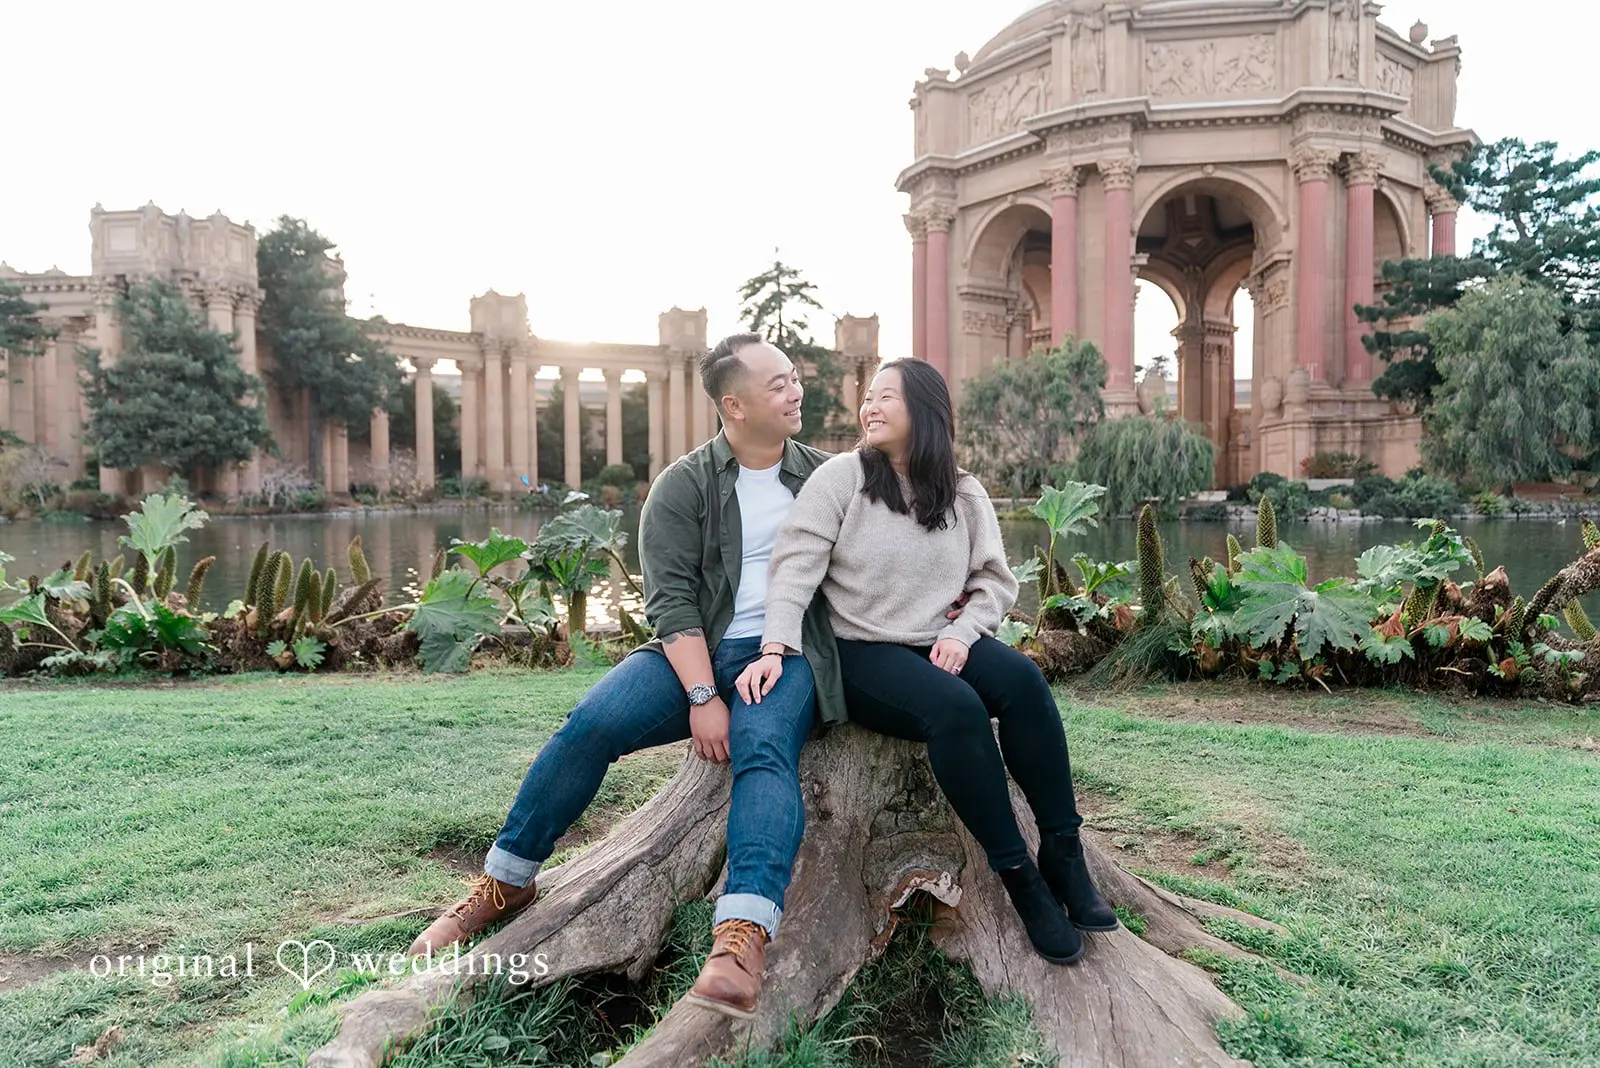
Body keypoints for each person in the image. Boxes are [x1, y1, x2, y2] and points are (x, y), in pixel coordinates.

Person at [409, 333, 847, 1019]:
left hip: (786, 655)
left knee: (763, 748)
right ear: (734, 405)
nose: (797, 391)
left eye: (795, 377)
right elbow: (671, 603)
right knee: (592, 723)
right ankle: (506, 881)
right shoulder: (683, 485)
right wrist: (702, 696)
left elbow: (888, 547)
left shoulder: (828, 478)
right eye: (779, 383)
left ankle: (741, 937)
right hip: (696, 651)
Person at [736, 357, 1117, 966]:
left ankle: (1063, 853)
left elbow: (994, 582)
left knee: (1023, 680)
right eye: (868, 396)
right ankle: (1019, 876)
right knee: (957, 710)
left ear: (925, 409)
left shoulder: (962, 490)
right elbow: (794, 567)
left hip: (941, 637)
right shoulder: (842, 478)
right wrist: (775, 647)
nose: (870, 406)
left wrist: (965, 633)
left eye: (886, 396)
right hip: (863, 651)